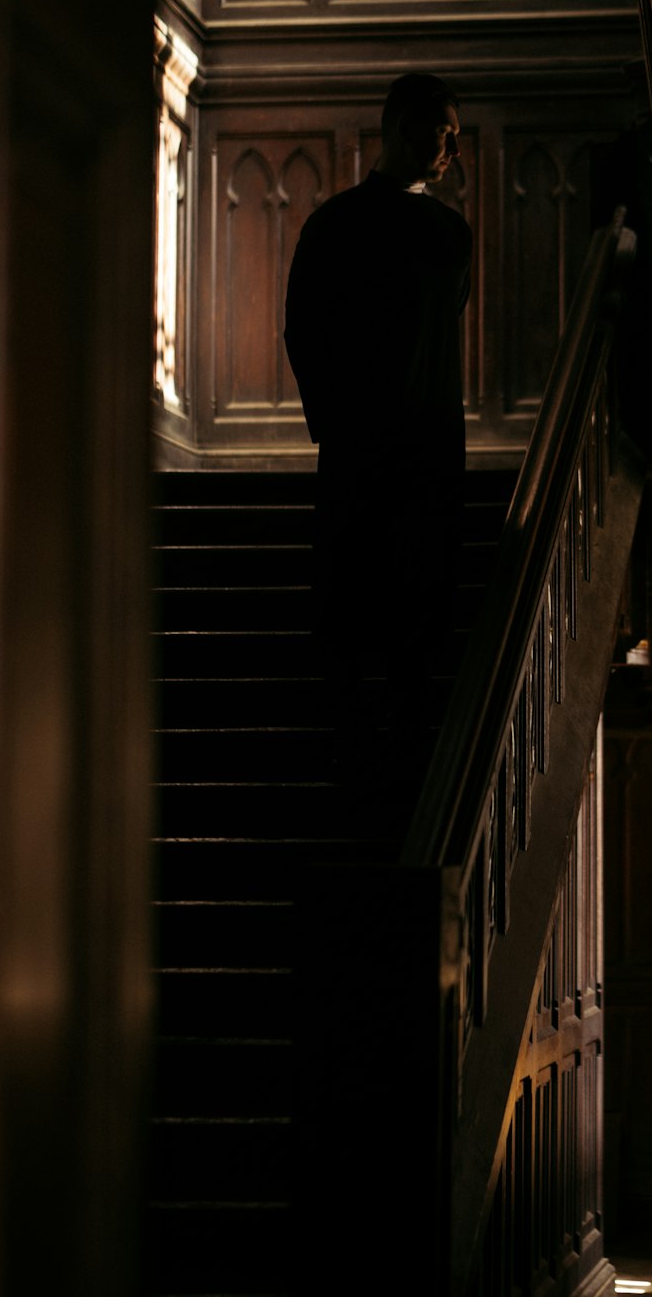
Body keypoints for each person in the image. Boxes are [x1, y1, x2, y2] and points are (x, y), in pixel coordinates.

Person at [284, 73, 472, 786]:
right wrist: (338, 424)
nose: (453, 146)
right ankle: (350, 743)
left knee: (421, 599)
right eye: (441, 129)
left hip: (424, 445)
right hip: (363, 448)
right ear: (400, 128)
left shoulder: (451, 233)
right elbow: (303, 328)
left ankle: (407, 740)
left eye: (456, 132)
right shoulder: (334, 225)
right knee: (355, 597)